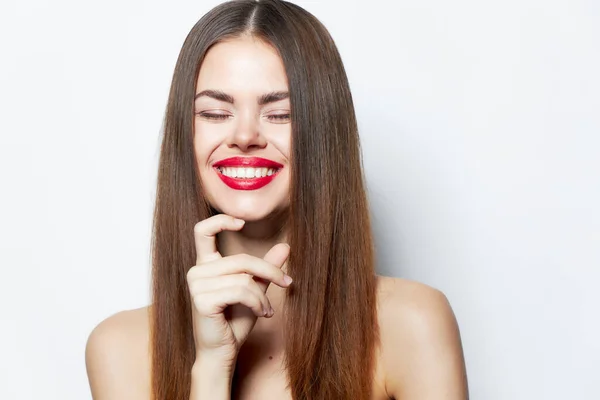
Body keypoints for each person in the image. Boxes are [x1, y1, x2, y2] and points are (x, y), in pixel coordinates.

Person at [85, 0, 469, 399]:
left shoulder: (411, 323)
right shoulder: (119, 349)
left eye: (280, 114)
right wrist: (212, 369)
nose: (245, 134)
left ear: (323, 135)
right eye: (216, 113)